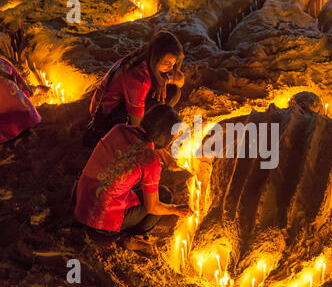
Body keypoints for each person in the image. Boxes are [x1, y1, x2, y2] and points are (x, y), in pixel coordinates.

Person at [75, 104, 192, 248]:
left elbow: (142, 143)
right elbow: (152, 207)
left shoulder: (119, 129)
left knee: (130, 179)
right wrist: (176, 209)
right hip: (101, 224)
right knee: (163, 195)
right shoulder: (151, 161)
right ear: (166, 135)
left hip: (81, 202)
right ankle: (136, 236)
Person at [84, 30, 185, 148]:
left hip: (113, 103)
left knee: (173, 91)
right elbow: (137, 126)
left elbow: (180, 79)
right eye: (167, 63)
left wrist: (166, 80)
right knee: (167, 101)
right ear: (155, 59)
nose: (170, 68)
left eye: (173, 63)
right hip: (107, 118)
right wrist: (153, 143)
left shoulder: (145, 55)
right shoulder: (138, 78)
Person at [0, 56, 48, 143]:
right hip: (27, 116)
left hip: (4, 128)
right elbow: (24, 89)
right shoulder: (3, 62)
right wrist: (37, 89)